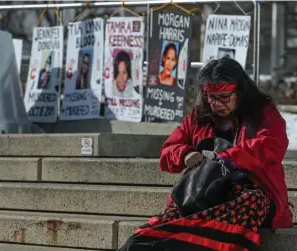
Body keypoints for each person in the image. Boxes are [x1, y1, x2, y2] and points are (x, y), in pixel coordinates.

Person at [118, 57, 293, 251]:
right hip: (204, 192)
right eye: (211, 97)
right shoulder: (197, 117)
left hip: (248, 192)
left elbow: (270, 146)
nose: (217, 104)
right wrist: (185, 154)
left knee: (252, 201)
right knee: (144, 238)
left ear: (240, 93)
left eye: (224, 97)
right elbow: (168, 151)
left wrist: (227, 157)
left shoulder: (263, 112)